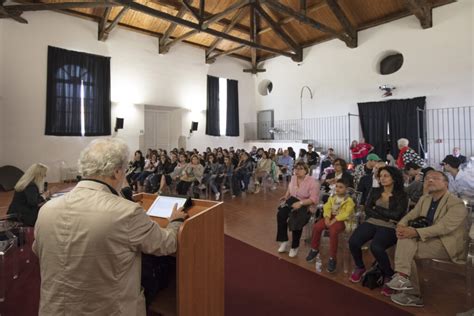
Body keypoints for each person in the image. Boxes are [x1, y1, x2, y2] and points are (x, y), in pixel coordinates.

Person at [33, 138, 187, 315]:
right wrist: (175, 221)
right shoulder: (126, 212)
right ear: (117, 172)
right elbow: (167, 244)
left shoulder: (47, 209)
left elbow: (38, 250)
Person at [386, 170, 468, 308]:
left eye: (435, 178)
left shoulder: (456, 204)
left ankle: (410, 289)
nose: (430, 180)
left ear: (446, 183)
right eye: (428, 178)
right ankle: (404, 280)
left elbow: (443, 228)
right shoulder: (426, 199)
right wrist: (401, 224)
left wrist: (414, 232)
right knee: (404, 240)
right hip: (426, 238)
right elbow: (412, 214)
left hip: (446, 242)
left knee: (406, 250)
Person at [349, 166, 408, 297]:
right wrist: (386, 215)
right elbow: (367, 209)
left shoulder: (401, 194)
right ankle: (360, 266)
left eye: (386, 176)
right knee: (353, 241)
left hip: (391, 226)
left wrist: (377, 209)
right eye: (381, 176)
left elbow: (397, 214)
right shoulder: (375, 190)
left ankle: (389, 274)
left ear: (394, 178)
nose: (382, 178)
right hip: (372, 222)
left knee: (376, 247)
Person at [306, 179, 355, 272]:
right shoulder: (332, 197)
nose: (338, 189)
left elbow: (346, 213)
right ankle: (314, 249)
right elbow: (327, 207)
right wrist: (327, 217)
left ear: (346, 189)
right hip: (330, 217)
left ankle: (332, 257)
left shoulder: (349, 201)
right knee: (317, 227)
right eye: (336, 186)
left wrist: (334, 220)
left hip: (341, 220)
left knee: (333, 231)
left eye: (341, 187)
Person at [276, 162, 319, 258]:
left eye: (300, 169)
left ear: (306, 170)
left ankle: (295, 246)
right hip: (292, 200)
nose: (297, 171)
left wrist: (300, 203)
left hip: (306, 204)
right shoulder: (293, 177)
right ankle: (284, 240)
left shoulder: (312, 182)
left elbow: (313, 199)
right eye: (296, 168)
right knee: (281, 214)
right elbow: (289, 187)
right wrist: (286, 196)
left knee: (296, 219)